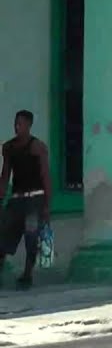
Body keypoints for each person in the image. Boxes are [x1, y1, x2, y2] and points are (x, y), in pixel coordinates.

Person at [0, 110, 51, 290]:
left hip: (34, 200)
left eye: (20, 124)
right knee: (4, 235)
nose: (17, 127)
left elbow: (45, 175)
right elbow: (5, 175)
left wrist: (47, 205)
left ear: (29, 125)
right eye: (16, 123)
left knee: (31, 237)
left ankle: (27, 274)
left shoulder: (37, 147)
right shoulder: (9, 147)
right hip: (16, 199)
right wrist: (1, 197)